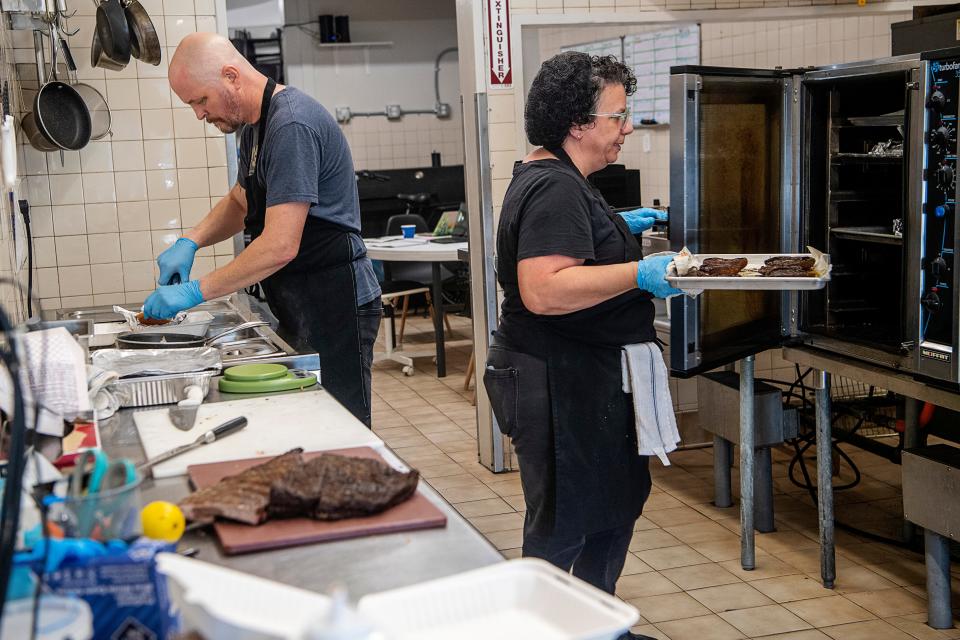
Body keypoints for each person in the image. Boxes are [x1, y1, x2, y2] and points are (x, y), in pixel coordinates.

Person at [482, 51, 680, 639]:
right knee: (566, 521)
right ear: (577, 122)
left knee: (608, 508)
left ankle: (596, 628)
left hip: (577, 375)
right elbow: (543, 289)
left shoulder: (560, 181)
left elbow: (563, 246)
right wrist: (640, 273)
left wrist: (615, 225)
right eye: (618, 117)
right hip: (557, 379)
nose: (627, 128)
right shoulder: (555, 190)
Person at [142, 33, 381, 426]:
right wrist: (190, 241)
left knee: (342, 427)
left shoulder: (292, 124)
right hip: (301, 299)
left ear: (232, 76)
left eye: (201, 100)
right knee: (310, 423)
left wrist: (195, 291)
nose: (199, 114)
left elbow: (280, 246)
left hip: (335, 301)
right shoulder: (254, 127)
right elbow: (241, 199)